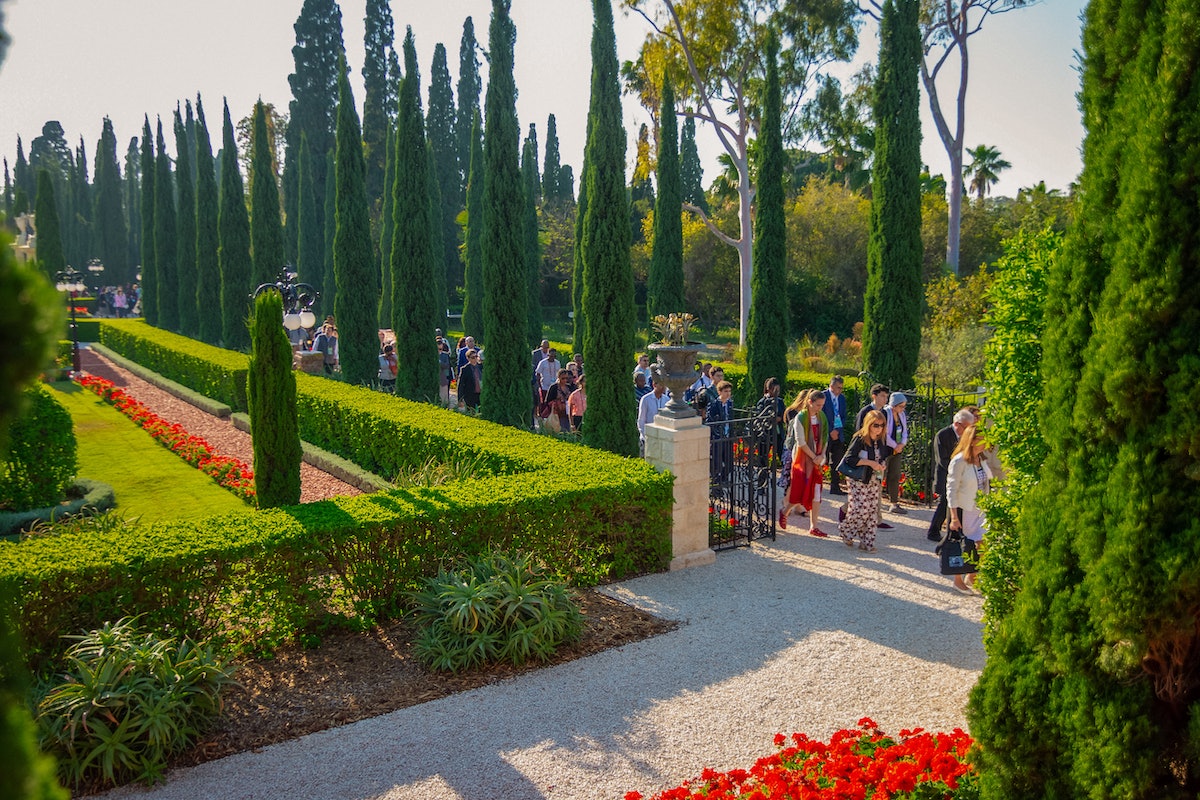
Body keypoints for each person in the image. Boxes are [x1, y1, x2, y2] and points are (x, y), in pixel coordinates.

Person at [943, 424, 993, 594]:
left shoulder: (982, 459)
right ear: (971, 441)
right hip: (964, 509)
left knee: (982, 543)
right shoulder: (959, 461)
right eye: (981, 440)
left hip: (980, 509)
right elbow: (951, 488)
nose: (985, 444)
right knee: (962, 545)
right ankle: (957, 579)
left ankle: (972, 575)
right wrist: (954, 516)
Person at [837, 410, 891, 552]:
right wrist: (870, 463)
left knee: (872, 511)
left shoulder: (881, 440)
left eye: (881, 425)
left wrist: (882, 464)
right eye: (875, 425)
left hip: (874, 479)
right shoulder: (860, 438)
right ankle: (845, 531)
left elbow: (884, 455)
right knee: (861, 508)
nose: (879, 428)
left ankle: (867, 542)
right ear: (868, 424)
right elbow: (849, 458)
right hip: (858, 478)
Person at [783, 389, 830, 537]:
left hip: (816, 459)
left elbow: (825, 438)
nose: (820, 408)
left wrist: (821, 455)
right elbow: (801, 442)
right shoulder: (800, 418)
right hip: (803, 459)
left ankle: (813, 526)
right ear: (810, 402)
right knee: (800, 490)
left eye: (822, 405)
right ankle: (785, 511)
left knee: (816, 493)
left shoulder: (822, 416)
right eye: (817, 405)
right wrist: (814, 456)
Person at [928, 408, 976, 541]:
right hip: (945, 475)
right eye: (966, 427)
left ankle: (954, 532)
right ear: (957, 424)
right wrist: (957, 468)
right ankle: (933, 531)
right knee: (944, 503)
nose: (968, 431)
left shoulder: (964, 437)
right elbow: (941, 459)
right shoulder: (942, 435)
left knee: (954, 504)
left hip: (959, 475)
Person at [883, 392, 909, 513]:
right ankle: (875, 500)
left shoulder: (902, 415)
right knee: (881, 475)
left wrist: (902, 444)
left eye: (904, 406)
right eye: (901, 406)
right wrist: (895, 445)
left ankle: (894, 502)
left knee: (895, 475)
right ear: (894, 405)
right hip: (887, 448)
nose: (902, 409)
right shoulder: (886, 413)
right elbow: (885, 433)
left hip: (897, 450)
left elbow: (904, 432)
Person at [823, 376, 849, 496]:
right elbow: (821, 416)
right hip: (826, 434)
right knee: (822, 458)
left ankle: (835, 486)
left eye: (841, 388)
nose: (840, 390)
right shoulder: (823, 396)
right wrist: (830, 431)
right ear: (832, 386)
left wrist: (837, 430)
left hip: (838, 434)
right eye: (838, 387)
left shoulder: (842, 399)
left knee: (836, 461)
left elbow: (843, 416)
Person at [705, 380, 735, 481]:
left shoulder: (730, 404)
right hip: (718, 437)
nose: (728, 393)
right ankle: (717, 484)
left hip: (727, 436)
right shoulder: (714, 404)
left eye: (729, 391)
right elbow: (710, 421)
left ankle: (723, 479)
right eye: (726, 391)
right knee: (717, 463)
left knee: (729, 464)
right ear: (720, 392)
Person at [637, 380, 669, 455]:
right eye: (661, 385)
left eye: (665, 385)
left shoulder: (666, 400)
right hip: (648, 438)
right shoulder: (646, 399)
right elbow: (641, 420)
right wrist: (645, 436)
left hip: (662, 438)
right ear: (654, 385)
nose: (663, 387)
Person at [542, 368, 574, 433]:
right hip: (557, 413)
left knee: (567, 430)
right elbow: (547, 401)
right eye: (563, 378)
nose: (565, 380)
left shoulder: (569, 387)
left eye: (566, 378)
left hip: (566, 413)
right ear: (558, 377)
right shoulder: (554, 387)